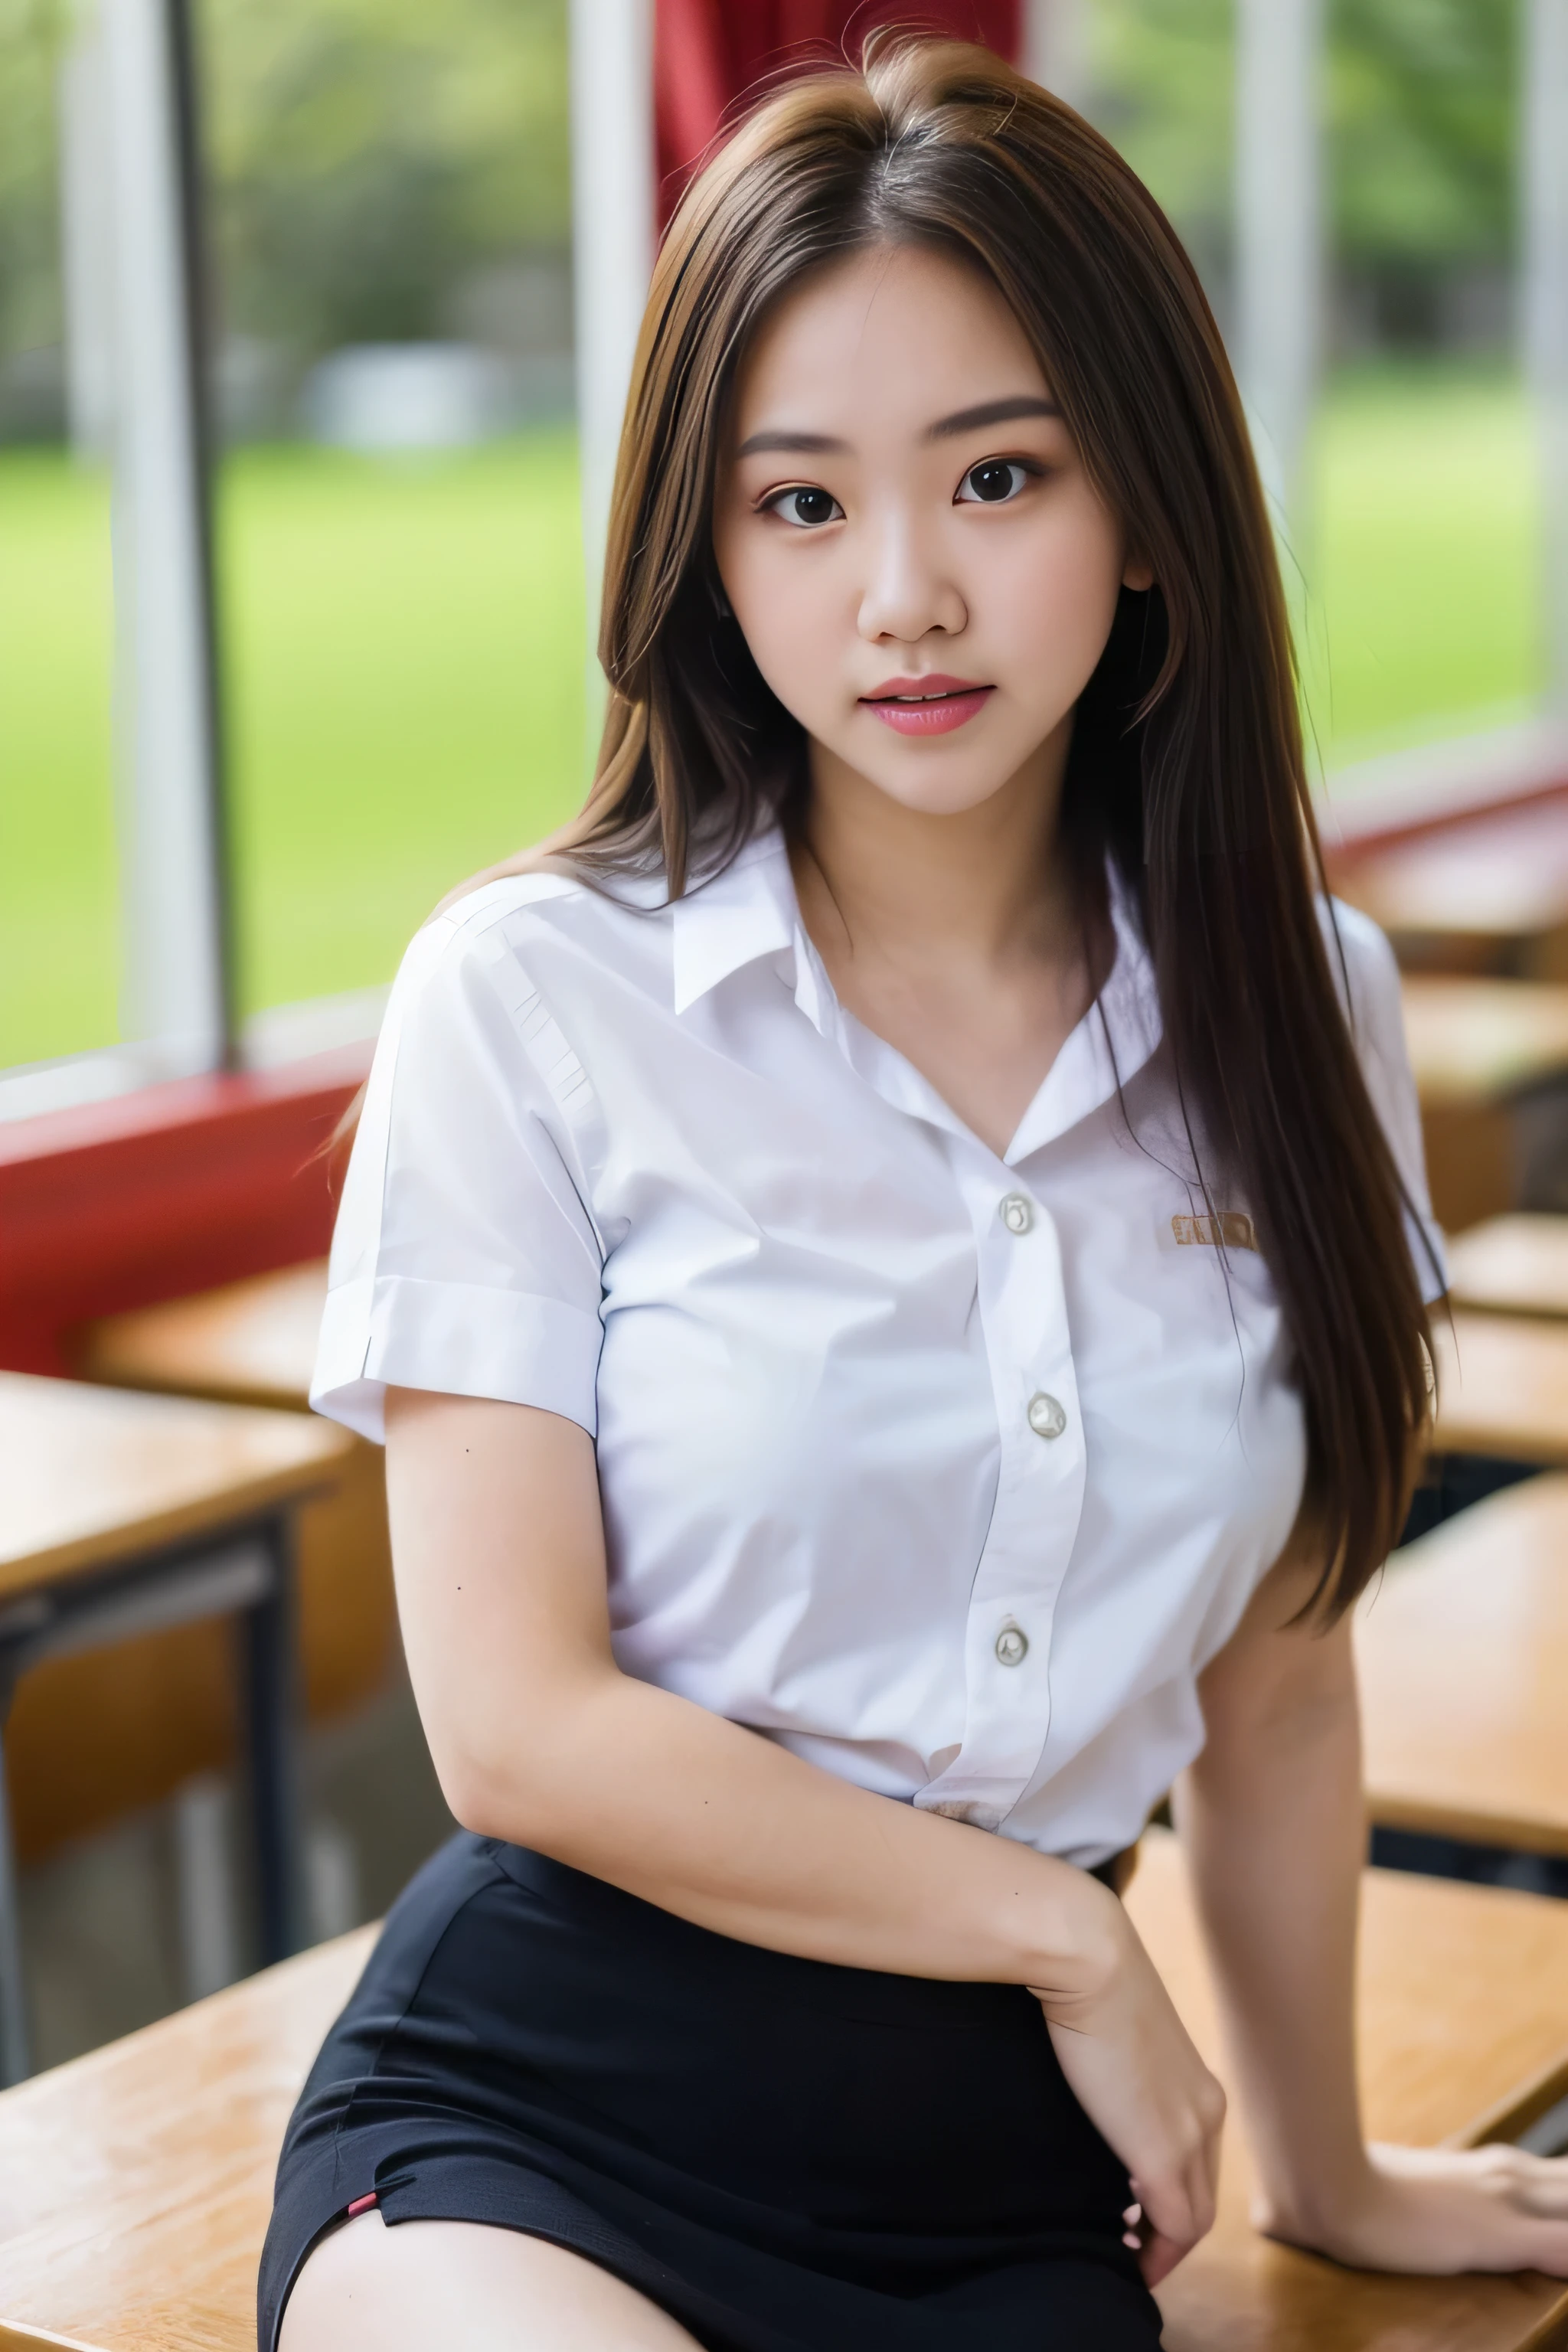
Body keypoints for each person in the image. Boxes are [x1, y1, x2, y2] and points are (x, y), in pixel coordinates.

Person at [263, 38, 1568, 2352]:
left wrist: (1337, 2166)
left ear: (1150, 507)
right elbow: (520, 1730)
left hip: (1019, 2180)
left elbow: (1276, 1696)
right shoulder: (538, 995)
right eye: (800, 504)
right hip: (551, 2108)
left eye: (996, 477)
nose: (903, 598)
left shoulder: (1306, 1007)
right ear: (705, 542)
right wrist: (1070, 1933)